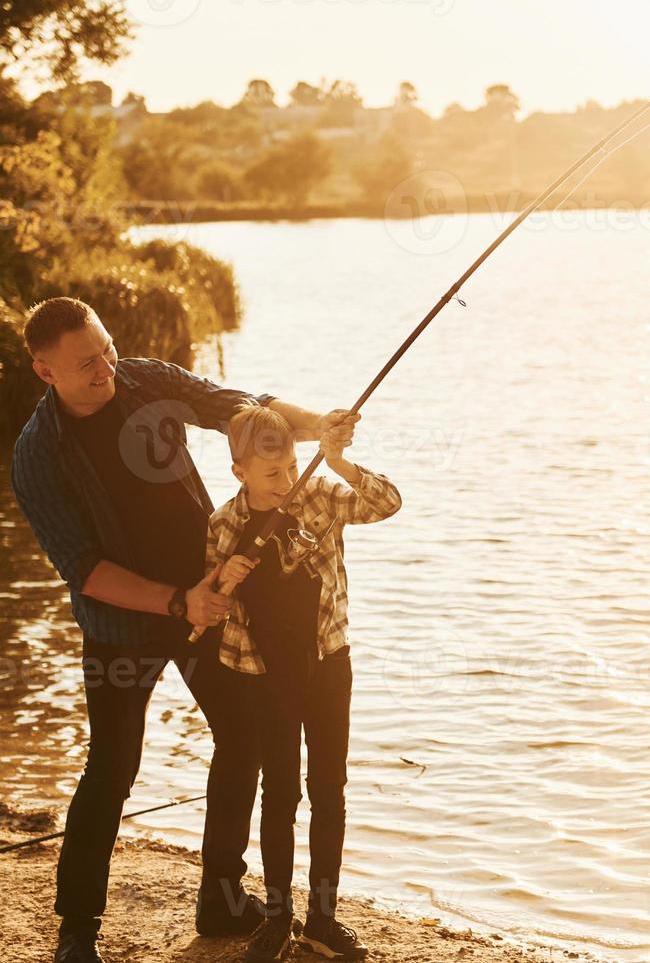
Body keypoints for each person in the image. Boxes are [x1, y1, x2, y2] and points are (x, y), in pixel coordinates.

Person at [9, 297, 359, 963]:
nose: (107, 367)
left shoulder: (145, 381)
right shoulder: (36, 456)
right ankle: (77, 929)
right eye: (86, 364)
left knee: (246, 735)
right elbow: (82, 568)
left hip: (213, 600)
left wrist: (320, 427)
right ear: (44, 371)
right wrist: (178, 603)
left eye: (108, 348)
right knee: (114, 765)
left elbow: (245, 409)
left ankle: (221, 897)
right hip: (122, 623)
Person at [205, 405, 401, 961]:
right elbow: (207, 609)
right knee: (280, 793)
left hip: (327, 661)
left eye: (292, 467)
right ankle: (276, 918)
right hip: (264, 673)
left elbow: (387, 503)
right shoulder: (224, 524)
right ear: (240, 471)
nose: (286, 482)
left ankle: (322, 917)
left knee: (328, 789)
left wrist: (338, 461)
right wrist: (225, 578)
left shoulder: (317, 495)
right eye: (272, 474)